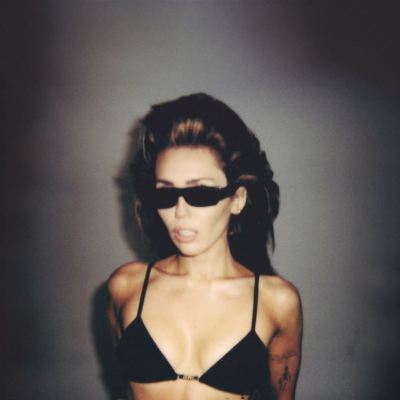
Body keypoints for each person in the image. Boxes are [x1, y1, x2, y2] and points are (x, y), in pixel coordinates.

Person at [107, 93, 302, 400]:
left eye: (201, 194)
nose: (180, 212)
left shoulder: (277, 302)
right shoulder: (126, 287)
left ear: (237, 199)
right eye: (165, 194)